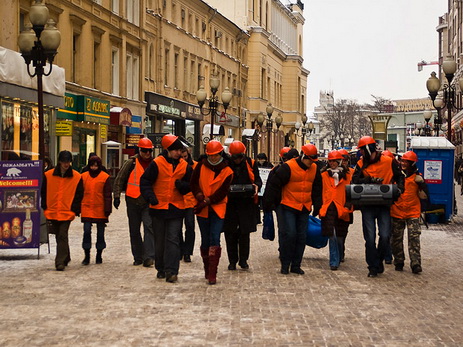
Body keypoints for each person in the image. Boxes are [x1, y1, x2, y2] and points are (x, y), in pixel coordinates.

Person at [140, 134, 192, 283]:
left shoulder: (184, 166)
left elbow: (192, 184)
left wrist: (183, 186)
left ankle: (172, 271)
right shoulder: (157, 164)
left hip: (176, 208)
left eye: (179, 150)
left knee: (173, 240)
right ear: (168, 150)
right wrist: (151, 197)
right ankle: (161, 268)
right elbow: (145, 182)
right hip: (158, 208)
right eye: (175, 150)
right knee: (160, 241)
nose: (178, 153)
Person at [263, 144, 322, 275]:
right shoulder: (287, 167)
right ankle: (285, 264)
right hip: (288, 206)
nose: (311, 163)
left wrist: (318, 205)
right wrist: (268, 204)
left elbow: (317, 188)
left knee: (301, 237)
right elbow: (273, 185)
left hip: (304, 207)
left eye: (313, 161)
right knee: (289, 234)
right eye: (309, 160)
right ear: (303, 156)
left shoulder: (314, 169)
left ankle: (296, 265)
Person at [352, 136, 404, 278]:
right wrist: (368, 180)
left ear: (368, 149)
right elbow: (354, 181)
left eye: (362, 150)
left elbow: (400, 176)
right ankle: (372, 266)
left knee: (385, 235)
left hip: (384, 204)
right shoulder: (360, 163)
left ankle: (379, 260)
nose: (361, 153)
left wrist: (400, 188)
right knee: (369, 238)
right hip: (367, 204)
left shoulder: (388, 161)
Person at [190, 140, 233, 284]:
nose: (213, 158)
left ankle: (213, 272)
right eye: (211, 155)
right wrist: (199, 196)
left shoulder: (228, 170)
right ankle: (207, 269)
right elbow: (194, 183)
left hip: (217, 207)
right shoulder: (201, 165)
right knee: (205, 239)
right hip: (202, 208)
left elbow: (222, 192)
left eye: (215, 155)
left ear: (220, 153)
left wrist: (207, 201)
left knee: (215, 237)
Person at [113, 137, 155, 267]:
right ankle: (138, 256)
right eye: (144, 151)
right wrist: (116, 196)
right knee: (134, 230)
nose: (147, 153)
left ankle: (149, 256)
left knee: (149, 228)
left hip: (148, 202)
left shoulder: (155, 164)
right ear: (139, 150)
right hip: (132, 201)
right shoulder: (130, 163)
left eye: (149, 151)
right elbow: (120, 179)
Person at [41, 150, 83, 271]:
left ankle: (59, 261)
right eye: (64, 161)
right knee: (59, 235)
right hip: (52, 210)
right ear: (59, 162)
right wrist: (45, 206)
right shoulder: (48, 175)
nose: (66, 164)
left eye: (68, 161)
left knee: (62, 234)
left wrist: (74, 209)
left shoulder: (76, 176)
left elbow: (79, 194)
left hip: (67, 211)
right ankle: (66, 256)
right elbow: (43, 192)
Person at [223, 141, 262, 270]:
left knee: (245, 234)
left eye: (240, 157)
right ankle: (232, 261)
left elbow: (258, 180)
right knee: (230, 234)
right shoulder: (225, 164)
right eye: (235, 157)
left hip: (246, 203)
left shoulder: (251, 163)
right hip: (230, 204)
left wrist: (255, 186)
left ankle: (243, 260)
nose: (238, 160)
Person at [390, 151, 428, 274]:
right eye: (402, 161)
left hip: (413, 211)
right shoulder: (395, 176)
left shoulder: (417, 177)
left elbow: (425, 196)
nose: (403, 163)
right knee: (396, 239)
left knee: (414, 238)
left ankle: (415, 263)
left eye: (406, 161)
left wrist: (421, 184)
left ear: (412, 163)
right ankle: (399, 261)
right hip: (397, 210)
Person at [319, 151, 352, 270]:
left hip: (342, 208)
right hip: (328, 208)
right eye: (330, 161)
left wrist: (348, 206)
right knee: (331, 235)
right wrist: (318, 207)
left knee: (339, 236)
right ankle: (334, 260)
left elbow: (351, 193)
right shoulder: (323, 175)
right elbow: (318, 192)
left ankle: (339, 255)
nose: (332, 163)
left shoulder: (348, 175)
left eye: (334, 161)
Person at [80, 155, 112, 265]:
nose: (94, 167)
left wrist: (107, 209)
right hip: (87, 207)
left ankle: (99, 254)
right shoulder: (83, 176)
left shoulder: (104, 177)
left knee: (100, 234)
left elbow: (107, 195)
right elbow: (79, 193)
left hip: (100, 208)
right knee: (87, 231)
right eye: (92, 165)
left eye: (96, 165)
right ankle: (87, 254)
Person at [180, 148, 197, 262]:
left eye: (185, 156)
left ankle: (187, 252)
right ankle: (181, 250)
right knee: (176, 228)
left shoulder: (195, 166)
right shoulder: (175, 166)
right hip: (178, 201)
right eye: (182, 157)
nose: (183, 159)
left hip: (190, 201)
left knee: (190, 226)